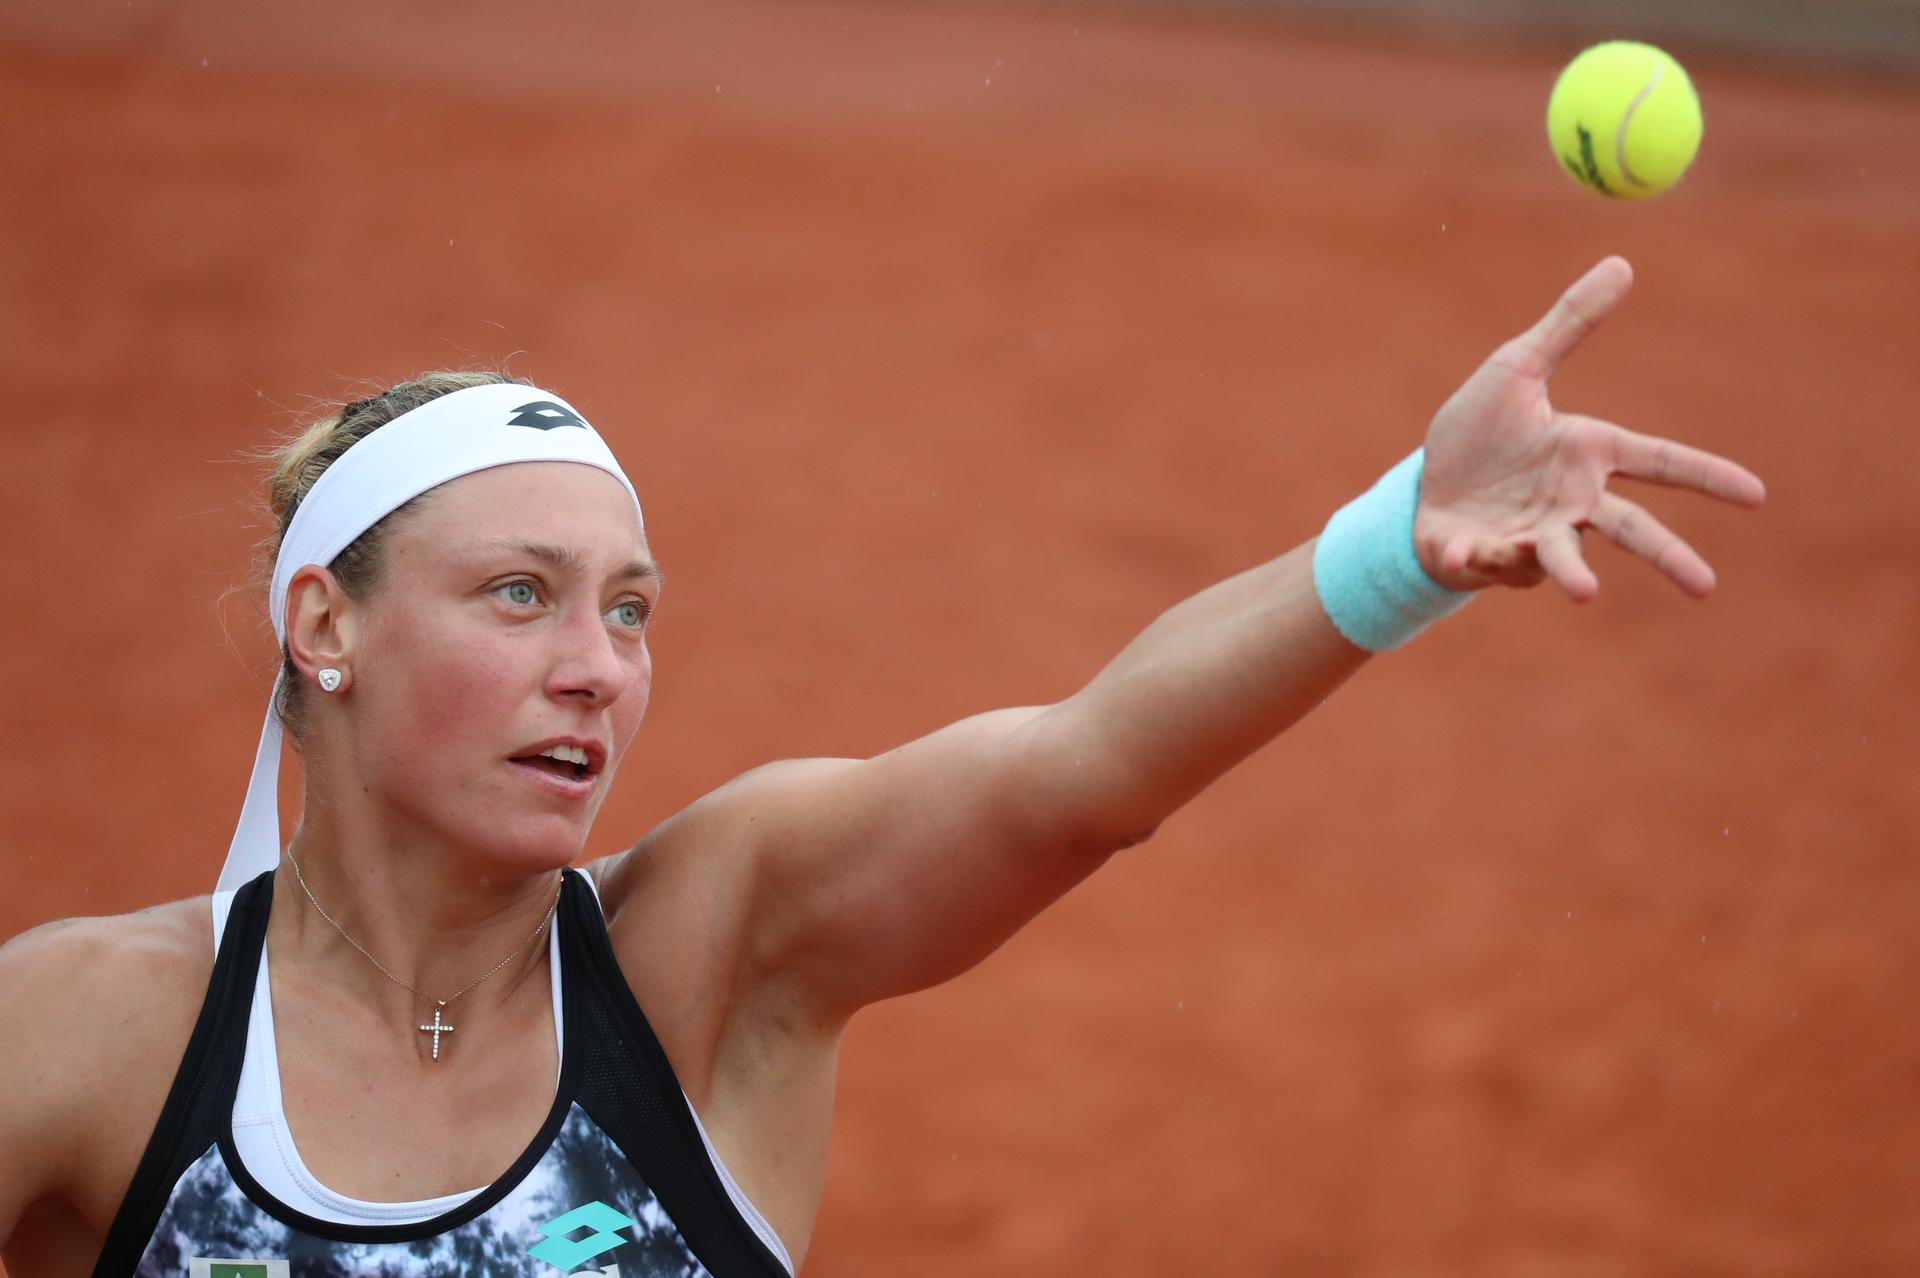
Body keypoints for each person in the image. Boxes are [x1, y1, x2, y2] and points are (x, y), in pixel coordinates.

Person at [0, 257, 1763, 1277]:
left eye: (631, 611)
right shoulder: (96, 1035)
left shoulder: (717, 943)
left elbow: (1083, 772)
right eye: (519, 596)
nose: (596, 668)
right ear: (327, 626)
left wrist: (1394, 545)